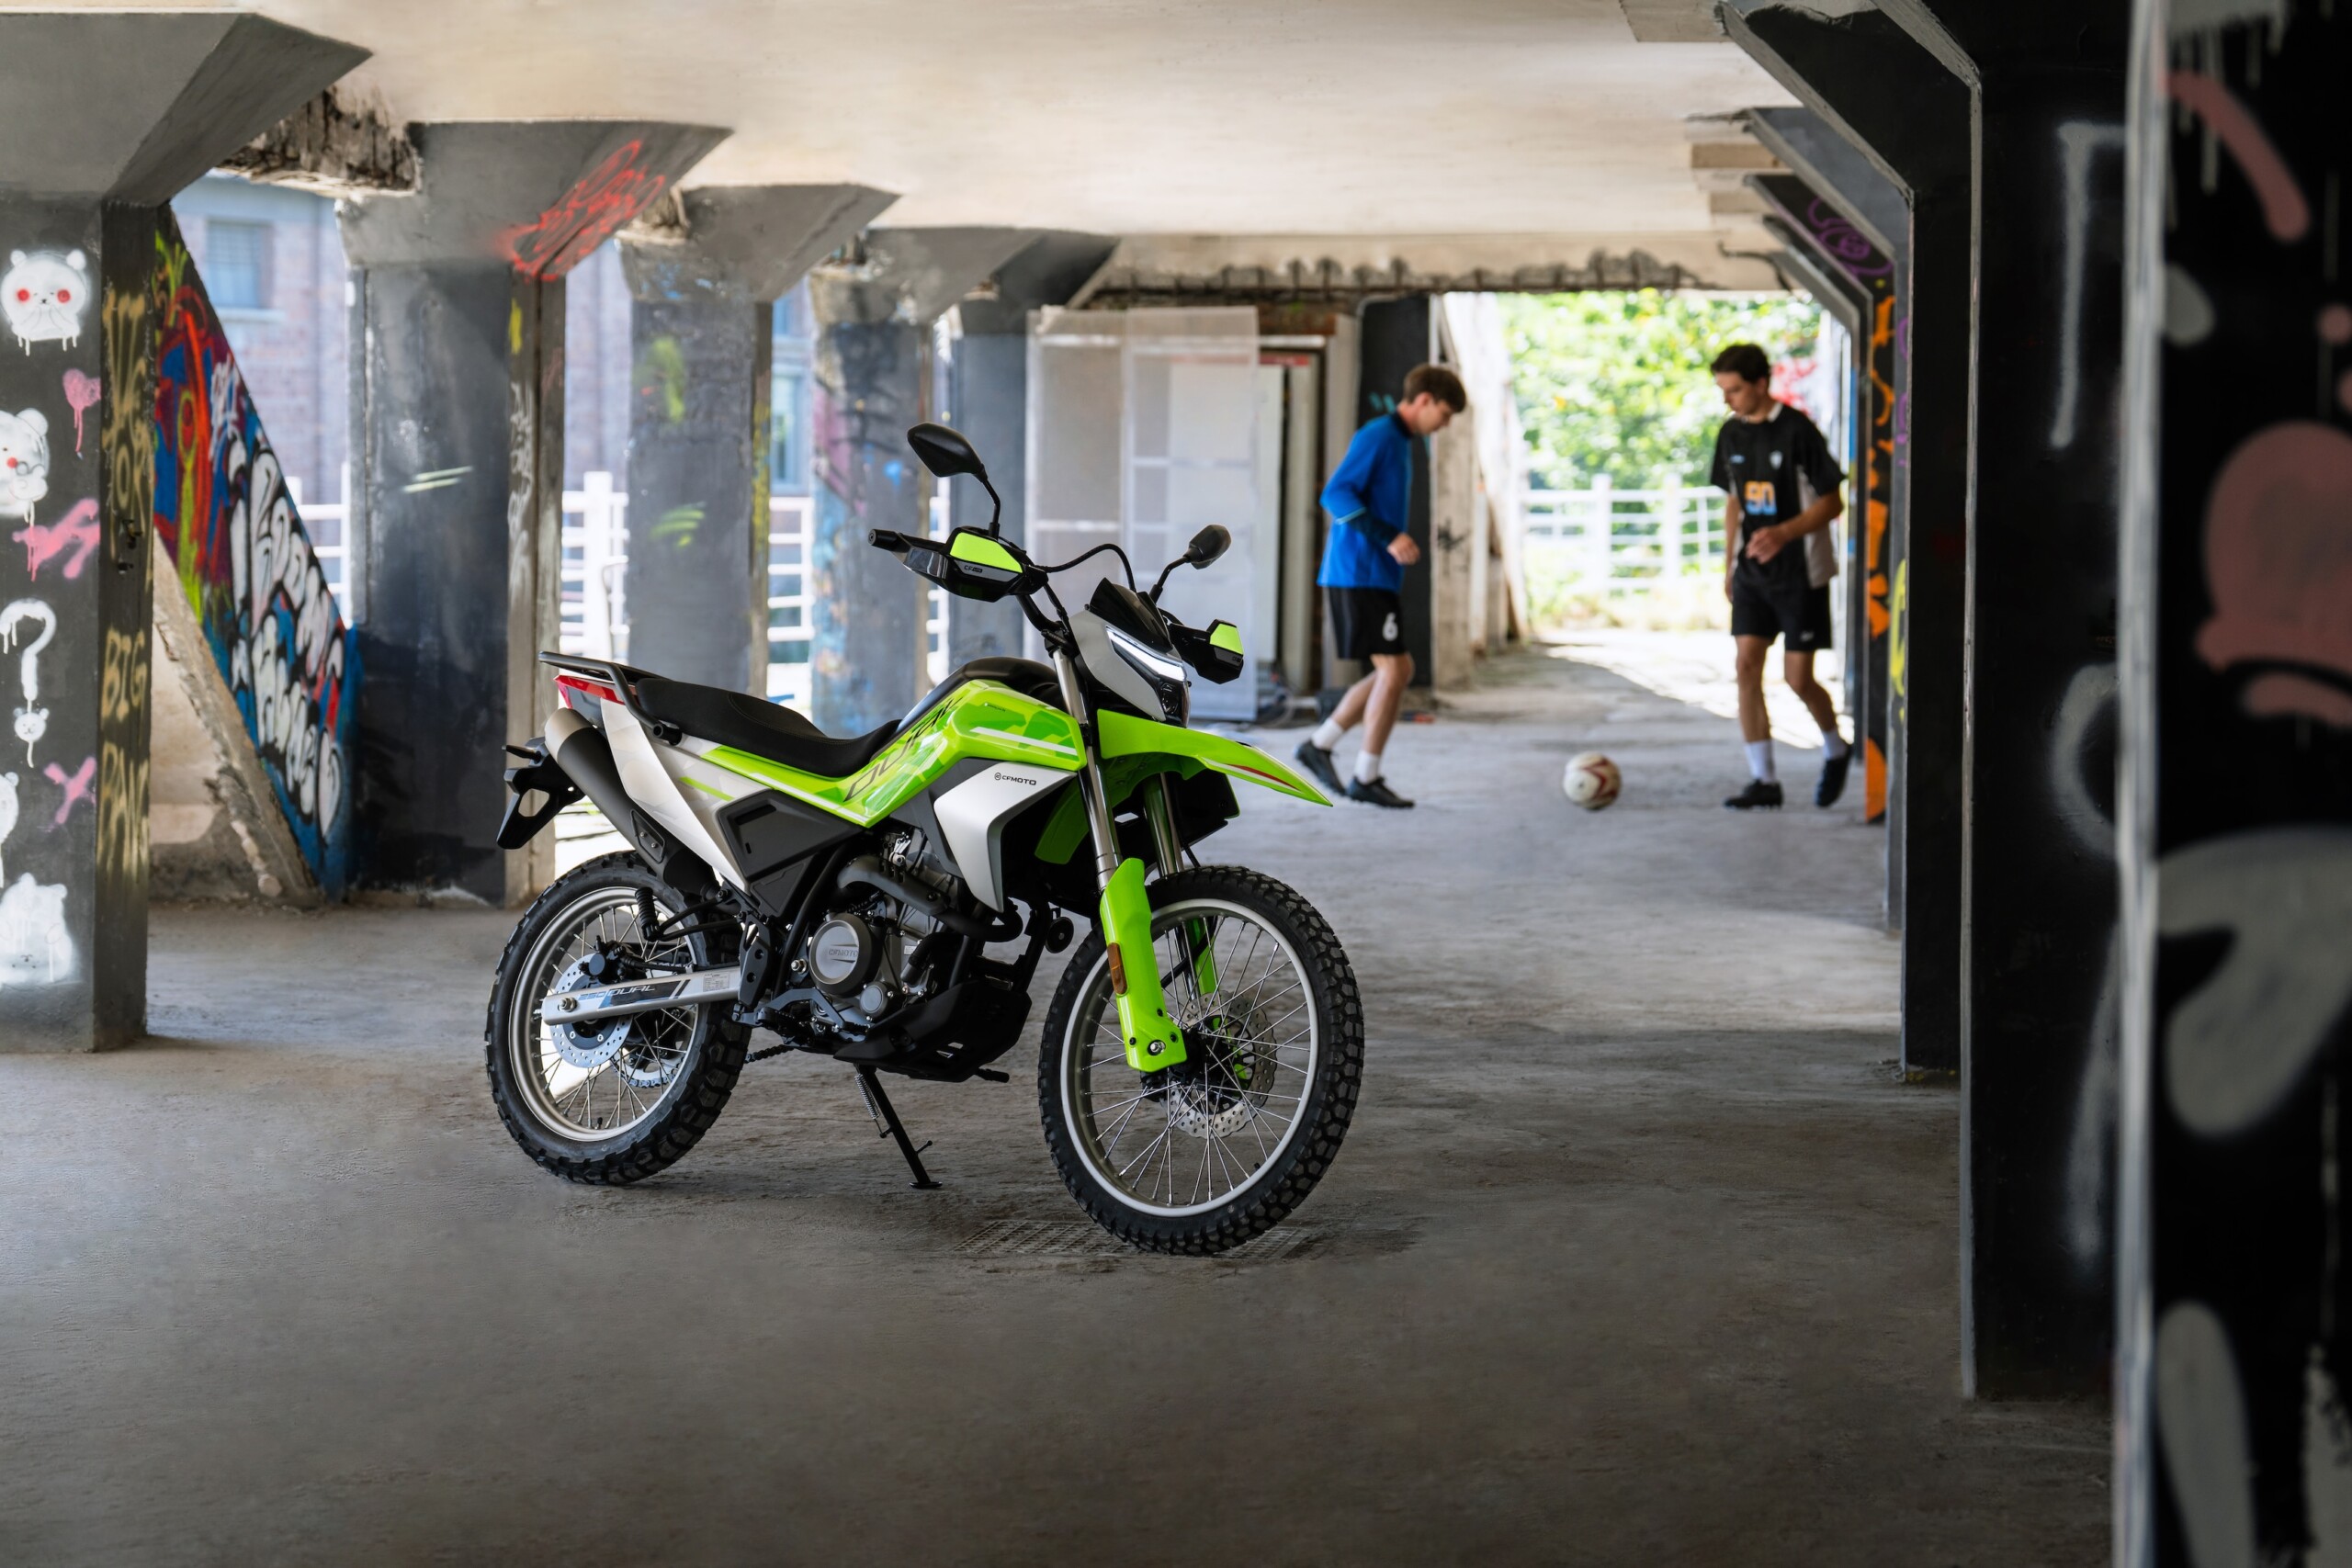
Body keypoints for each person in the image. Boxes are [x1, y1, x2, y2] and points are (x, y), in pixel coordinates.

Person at [1293, 363, 1467, 808]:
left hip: (1373, 575)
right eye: (1444, 415)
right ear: (1424, 400)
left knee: (1396, 670)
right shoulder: (1379, 435)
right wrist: (1389, 536)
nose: (1444, 425)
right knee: (1395, 670)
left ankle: (1321, 744)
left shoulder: (1400, 441)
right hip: (1359, 572)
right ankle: (1364, 775)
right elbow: (1335, 494)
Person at [1707, 342, 1851, 810]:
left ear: (1761, 384)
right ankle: (1763, 780)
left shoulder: (1797, 430)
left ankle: (1836, 748)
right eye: (1723, 390)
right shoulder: (1730, 434)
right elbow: (1734, 500)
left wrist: (1784, 533)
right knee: (1745, 666)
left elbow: (1833, 502)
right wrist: (1730, 564)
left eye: (1734, 390)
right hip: (1752, 572)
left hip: (1800, 572)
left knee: (1798, 679)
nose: (1727, 399)